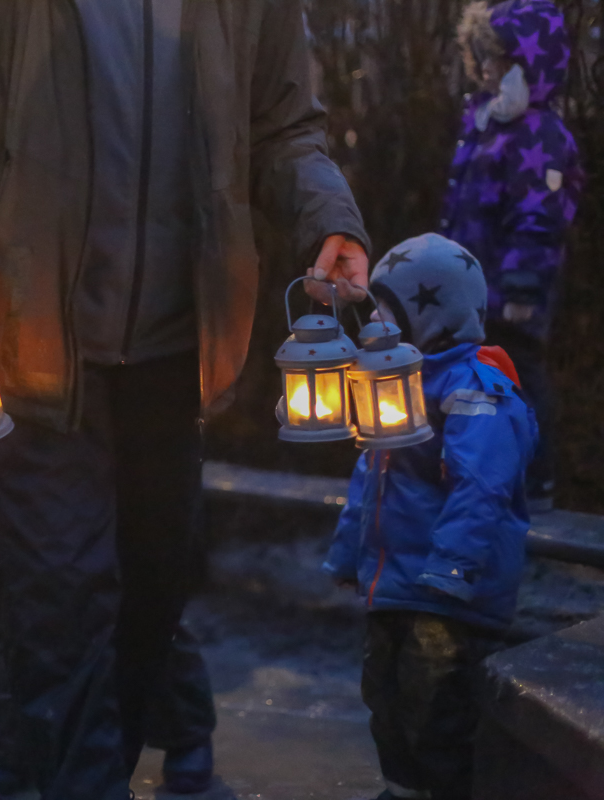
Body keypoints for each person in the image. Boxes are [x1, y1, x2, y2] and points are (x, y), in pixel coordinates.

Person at [0, 3, 371, 797]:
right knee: (61, 601)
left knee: (150, 598)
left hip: (177, 358)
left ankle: (43, 765)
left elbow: (284, 130)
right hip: (31, 351)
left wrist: (327, 216)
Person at [324, 234, 538, 800]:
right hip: (394, 586)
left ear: (434, 315)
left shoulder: (477, 390)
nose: (381, 323)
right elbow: (372, 474)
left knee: (437, 711)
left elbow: (482, 486)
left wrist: (452, 568)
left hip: (444, 597)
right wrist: (351, 552)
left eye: (392, 311)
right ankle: (401, 789)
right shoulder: (397, 385)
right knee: (386, 701)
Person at [441, 0, 584, 512]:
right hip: (474, 285)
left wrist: (524, 283)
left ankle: (537, 481)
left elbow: (538, 215)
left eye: (497, 57)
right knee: (480, 380)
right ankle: (485, 479)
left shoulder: (539, 135)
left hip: (513, 286)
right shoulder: (486, 122)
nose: (486, 67)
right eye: (480, 55)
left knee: (520, 376)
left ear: (526, 61)